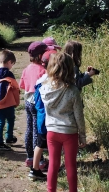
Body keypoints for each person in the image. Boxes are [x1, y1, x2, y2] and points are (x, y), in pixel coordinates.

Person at [39, 52, 87, 192]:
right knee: (70, 165)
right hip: (69, 132)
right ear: (70, 69)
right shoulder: (73, 91)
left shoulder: (44, 89)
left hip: (52, 132)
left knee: (53, 164)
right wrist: (82, 135)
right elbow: (79, 115)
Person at [28, 49, 57, 181]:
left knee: (40, 144)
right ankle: (52, 168)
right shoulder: (52, 82)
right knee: (52, 145)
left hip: (41, 120)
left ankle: (35, 169)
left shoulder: (40, 80)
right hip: (49, 120)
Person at [19, 41, 48, 168]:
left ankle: (30, 157)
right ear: (41, 55)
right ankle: (40, 160)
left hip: (27, 101)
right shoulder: (43, 70)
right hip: (38, 103)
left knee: (29, 129)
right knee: (38, 130)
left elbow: (22, 85)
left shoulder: (26, 69)